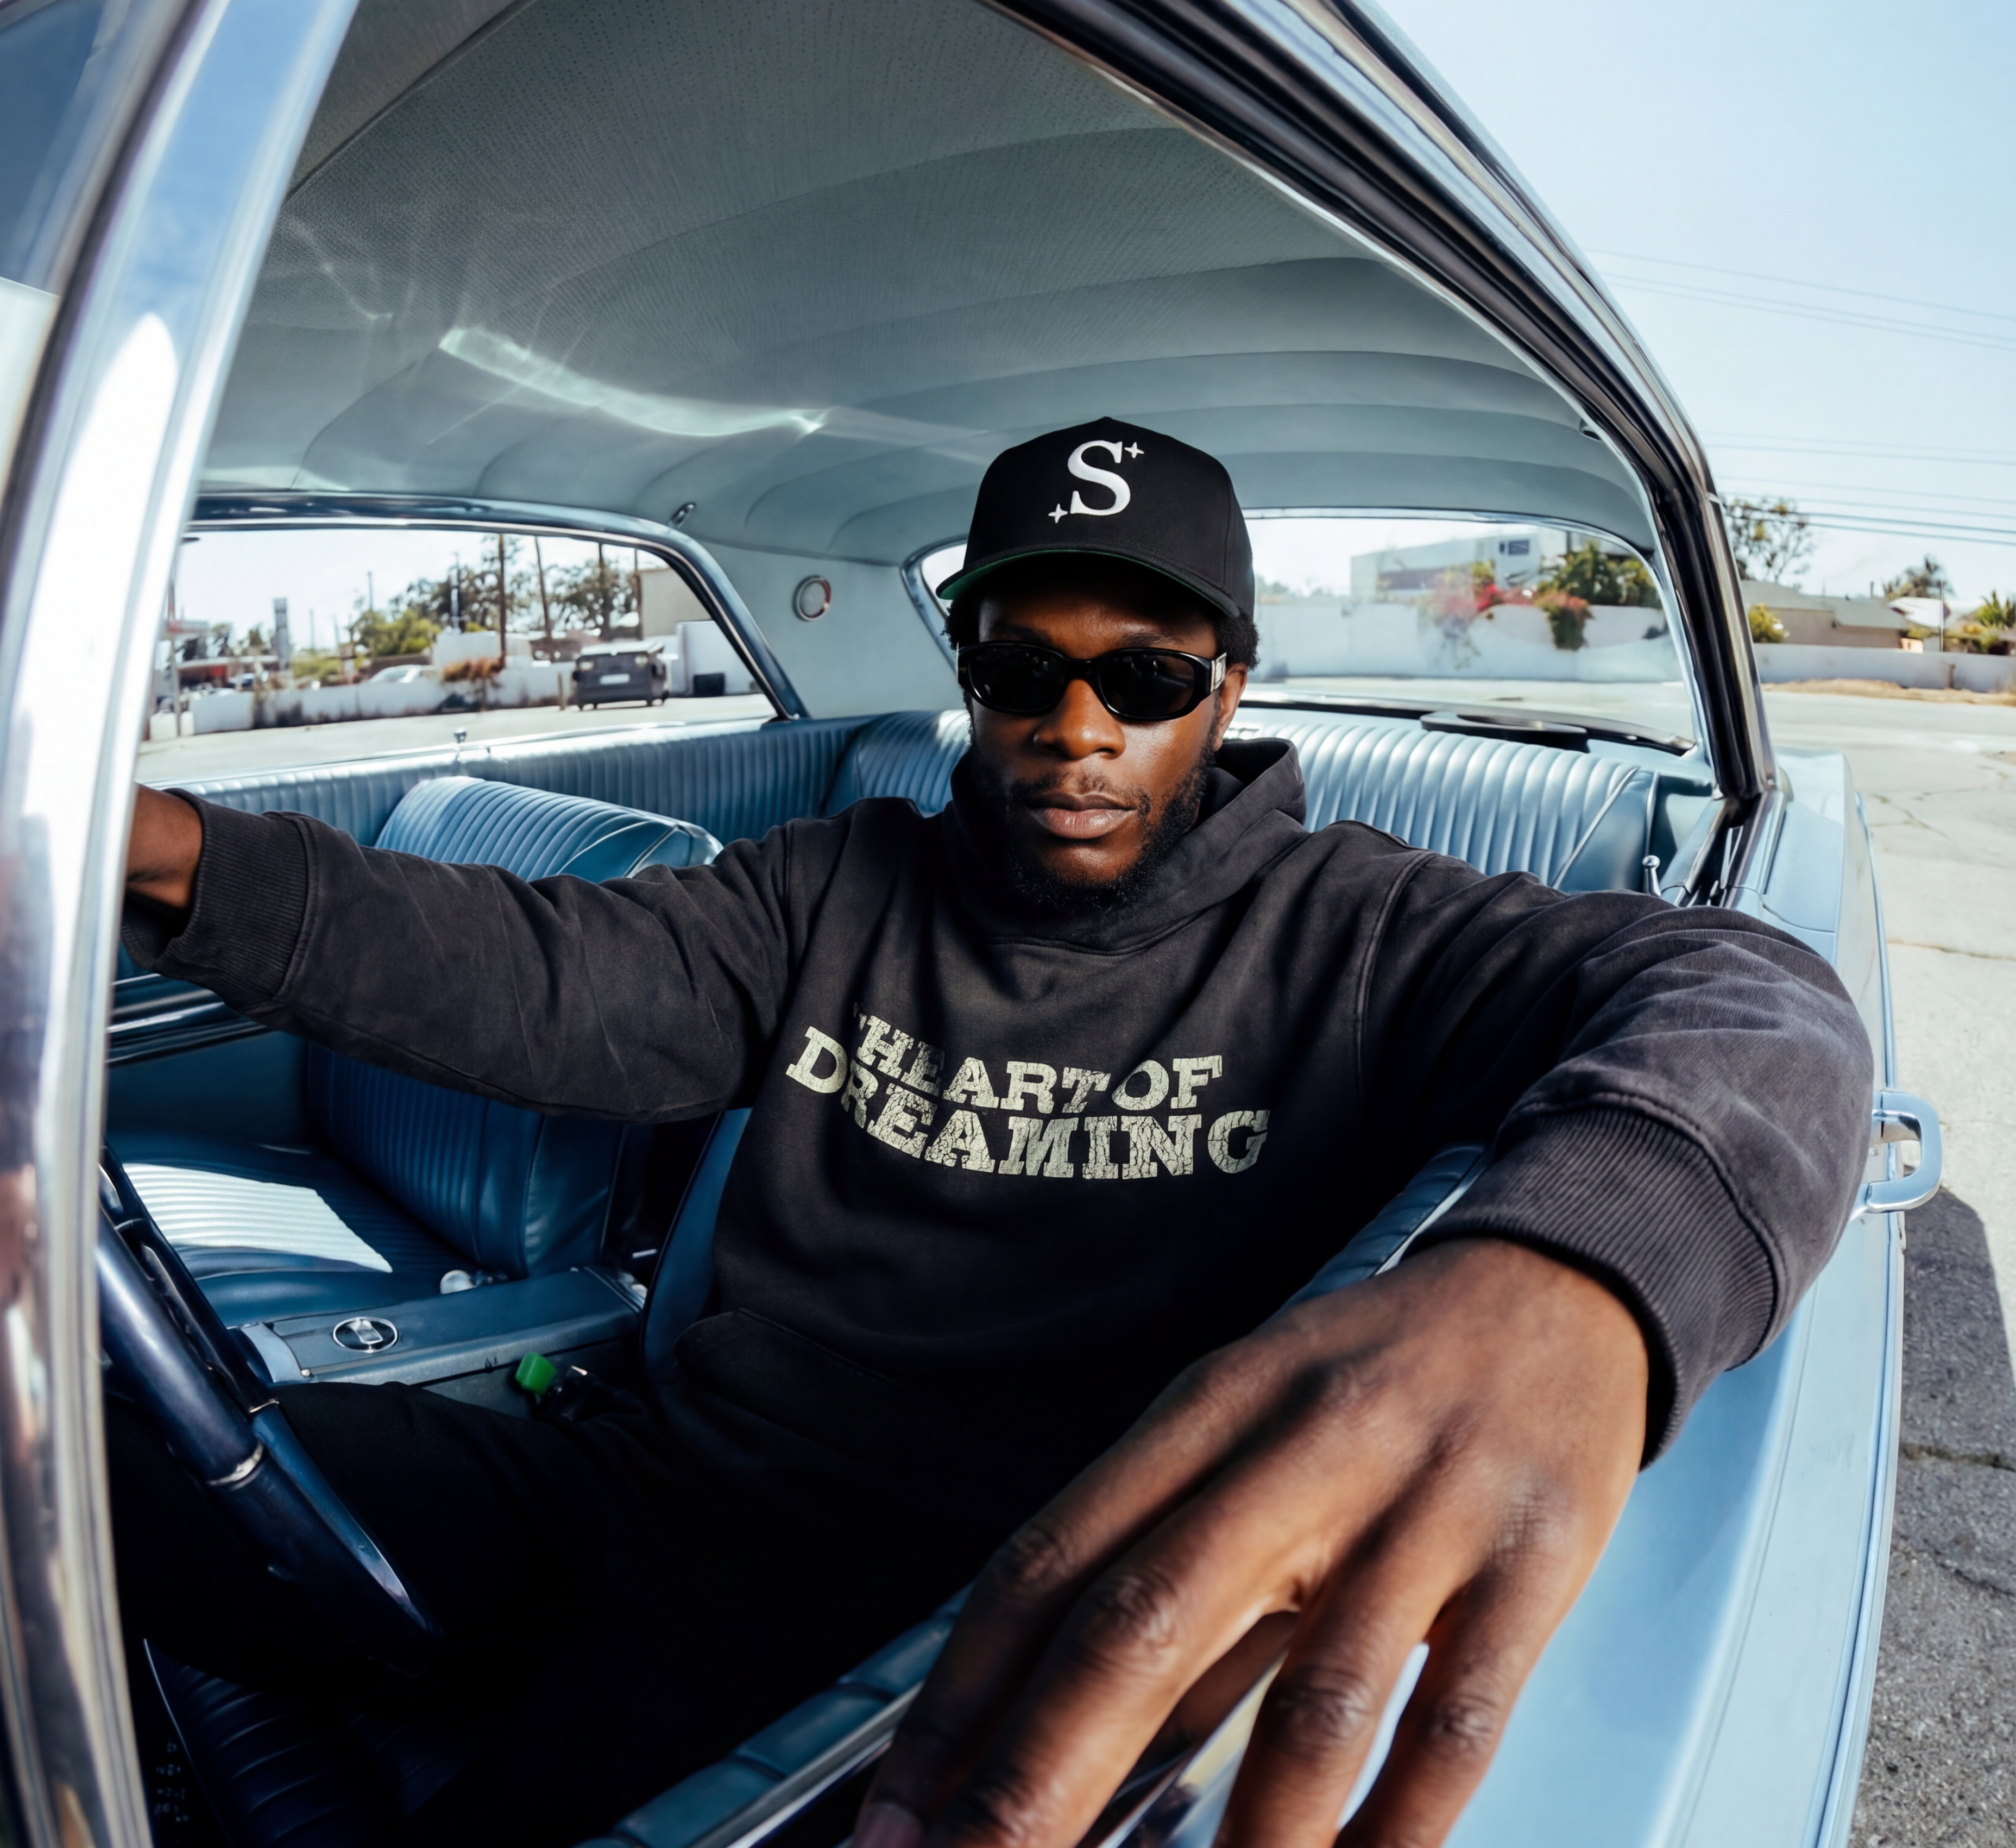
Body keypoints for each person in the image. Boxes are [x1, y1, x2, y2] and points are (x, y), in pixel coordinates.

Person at [116, 419, 1871, 1848]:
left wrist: (1572, 1275)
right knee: (89, 1469)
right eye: (1025, 665)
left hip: (947, 1618)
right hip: (653, 1482)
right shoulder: (834, 886)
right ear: (973, 671)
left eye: (1148, 671)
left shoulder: (1365, 936)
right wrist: (146, 849)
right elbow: (520, 965)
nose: (1078, 724)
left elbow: (1759, 1003)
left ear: (1231, 688)